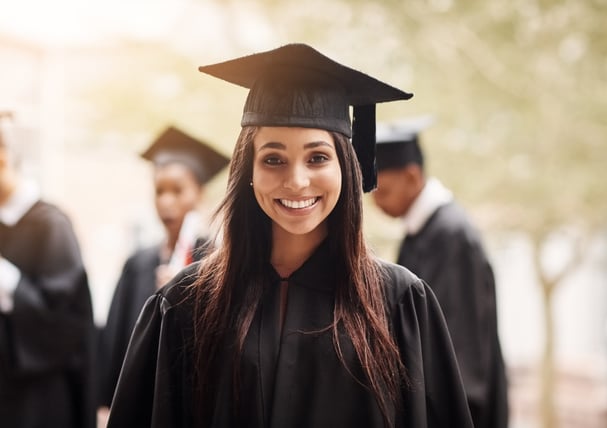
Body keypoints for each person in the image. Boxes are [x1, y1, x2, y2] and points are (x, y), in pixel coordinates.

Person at [106, 43, 473, 428]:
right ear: (248, 170)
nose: (297, 181)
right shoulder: (185, 304)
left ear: (346, 168)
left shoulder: (398, 303)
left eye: (317, 157)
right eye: (273, 159)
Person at [372, 118, 509, 428]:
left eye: (383, 191)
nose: (376, 202)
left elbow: (461, 345)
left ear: (411, 176)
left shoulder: (450, 236)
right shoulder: (424, 231)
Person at [98, 125, 229, 414]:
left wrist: (186, 292)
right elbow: (116, 338)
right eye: (159, 191)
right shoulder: (138, 263)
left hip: (188, 404)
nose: (166, 202)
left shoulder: (216, 263)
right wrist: (108, 403)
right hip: (138, 402)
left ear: (199, 193)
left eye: (178, 190)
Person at [0, 112, 96, 428]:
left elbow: (65, 321)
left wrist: (6, 280)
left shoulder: (51, 225)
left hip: (37, 398)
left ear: (4, 157)